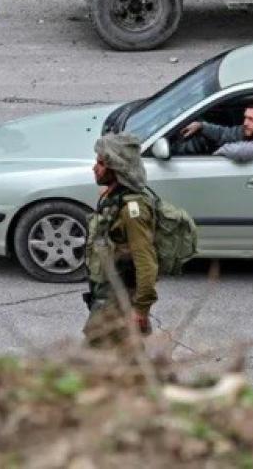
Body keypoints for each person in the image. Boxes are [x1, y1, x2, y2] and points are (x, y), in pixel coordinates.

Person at [82, 132, 158, 347]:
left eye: (101, 163)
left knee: (95, 352)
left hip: (120, 298)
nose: (94, 168)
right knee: (125, 354)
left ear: (116, 168)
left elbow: (146, 262)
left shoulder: (132, 210)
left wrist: (141, 309)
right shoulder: (113, 198)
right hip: (108, 293)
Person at [174, 100, 253, 162]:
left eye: (251, 119)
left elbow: (245, 151)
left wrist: (219, 153)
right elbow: (224, 134)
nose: (245, 123)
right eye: (245, 117)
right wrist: (201, 126)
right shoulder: (252, 129)